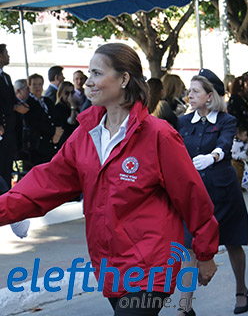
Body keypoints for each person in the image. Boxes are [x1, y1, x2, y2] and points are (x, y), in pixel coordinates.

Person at [0, 43, 219, 316]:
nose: (88, 82)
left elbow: (192, 196)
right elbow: (45, 183)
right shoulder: (85, 135)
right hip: (110, 267)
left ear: (124, 78)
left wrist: (205, 251)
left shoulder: (158, 135)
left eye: (96, 73)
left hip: (152, 265)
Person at [178, 74, 248, 315]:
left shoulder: (226, 120)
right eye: (189, 91)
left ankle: (241, 289)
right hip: (193, 193)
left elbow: (225, 144)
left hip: (223, 191)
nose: (190, 95)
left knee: (233, 241)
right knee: (189, 246)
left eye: (195, 91)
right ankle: (185, 306)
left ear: (209, 96)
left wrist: (212, 157)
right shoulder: (183, 122)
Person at [0, 44, 29, 193]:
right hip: (2, 128)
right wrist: (14, 108)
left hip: (11, 130)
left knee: (7, 167)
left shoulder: (6, 77)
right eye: (6, 53)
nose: (8, 56)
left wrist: (20, 104)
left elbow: (10, 98)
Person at [23, 73, 63, 165]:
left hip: (52, 143)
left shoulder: (47, 101)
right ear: (29, 86)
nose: (38, 87)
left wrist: (58, 132)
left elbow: (55, 117)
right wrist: (53, 131)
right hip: (38, 145)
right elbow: (33, 124)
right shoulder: (27, 104)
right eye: (34, 84)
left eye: (40, 84)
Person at [54, 81, 80, 148]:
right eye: (67, 93)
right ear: (61, 93)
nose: (70, 96)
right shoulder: (58, 108)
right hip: (65, 141)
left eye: (72, 93)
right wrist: (73, 107)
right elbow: (70, 122)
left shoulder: (75, 105)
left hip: (75, 139)